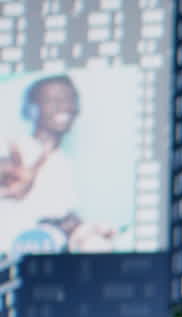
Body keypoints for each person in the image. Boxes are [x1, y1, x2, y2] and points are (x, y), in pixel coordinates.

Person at [0, 74, 116, 257]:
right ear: (31, 109)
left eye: (71, 99)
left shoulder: (62, 161)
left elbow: (51, 218)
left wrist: (81, 227)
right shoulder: (13, 150)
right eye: (53, 100)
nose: (65, 107)